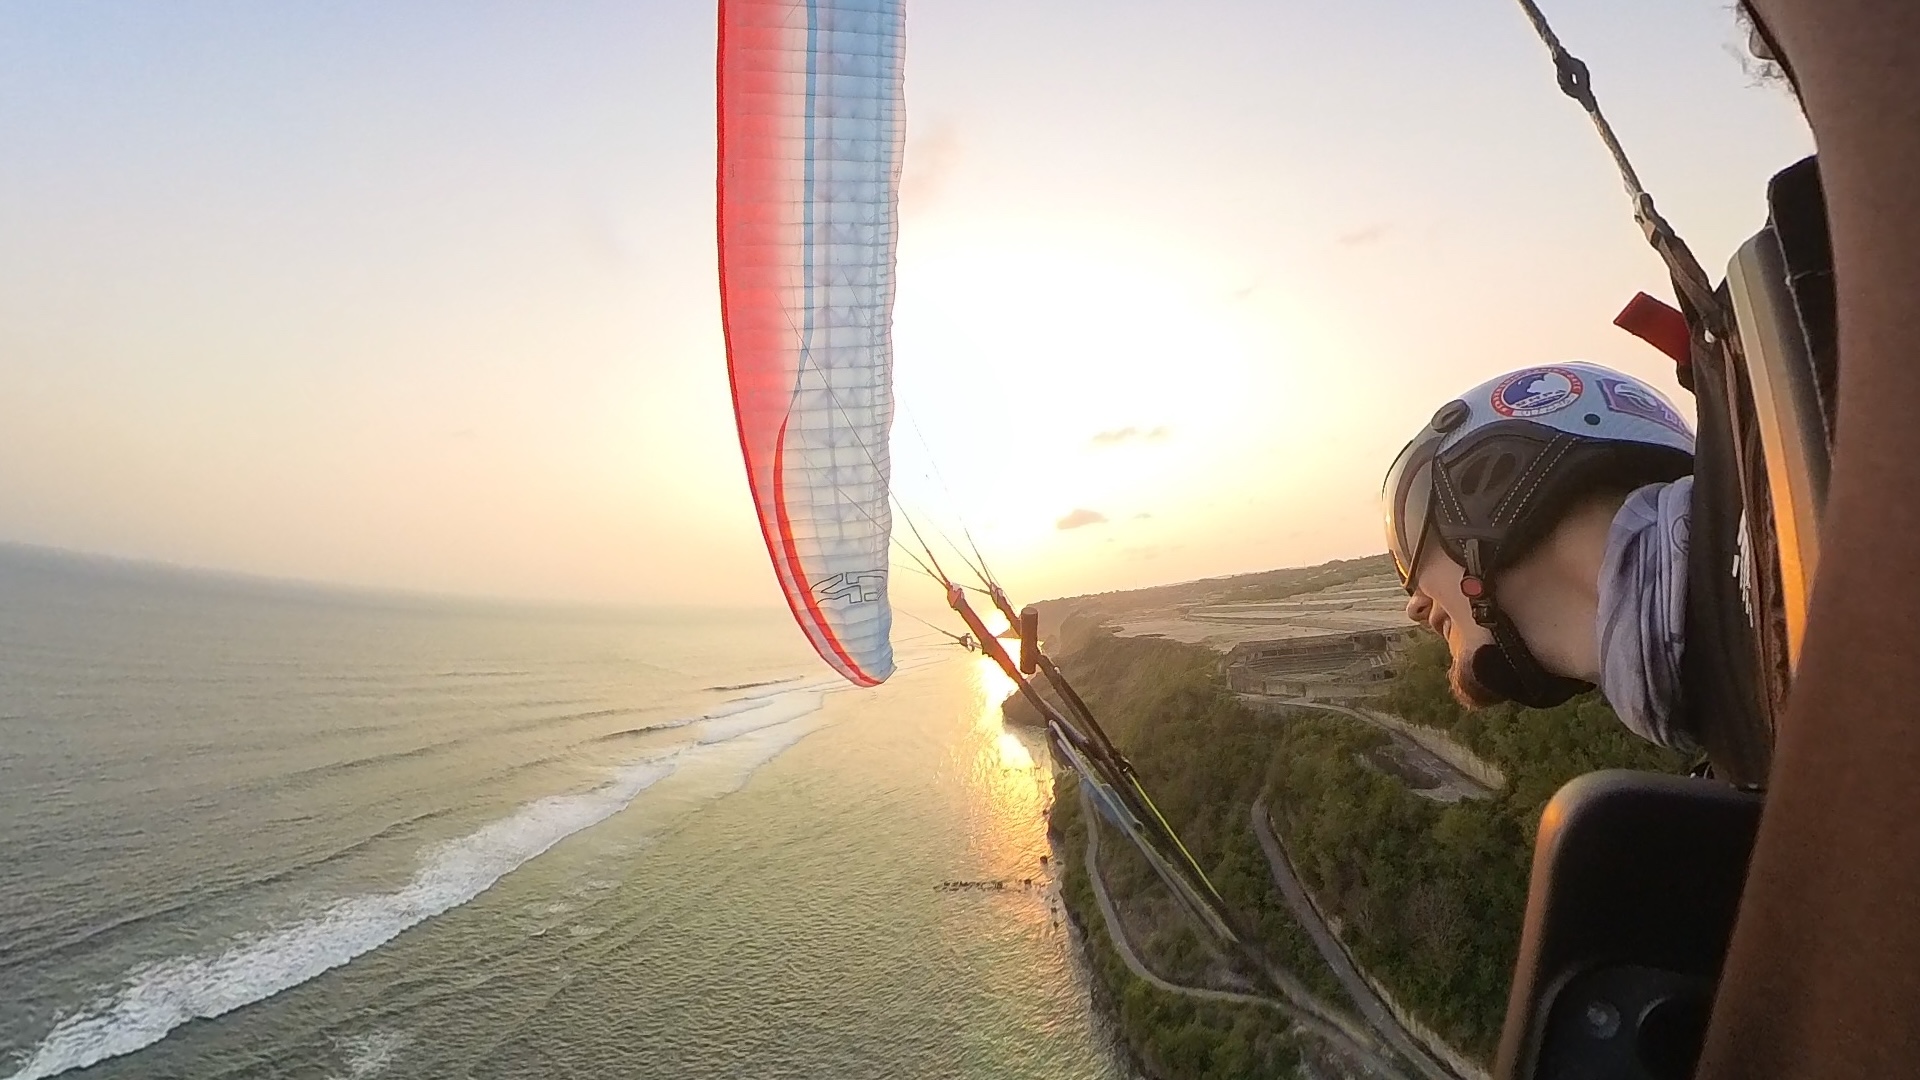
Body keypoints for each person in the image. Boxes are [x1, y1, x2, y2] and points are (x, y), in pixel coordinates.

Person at [1381, 361, 1696, 747]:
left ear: (1483, 492)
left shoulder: (1766, 592)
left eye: (1407, 547)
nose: (1414, 606)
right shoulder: (1729, 694)